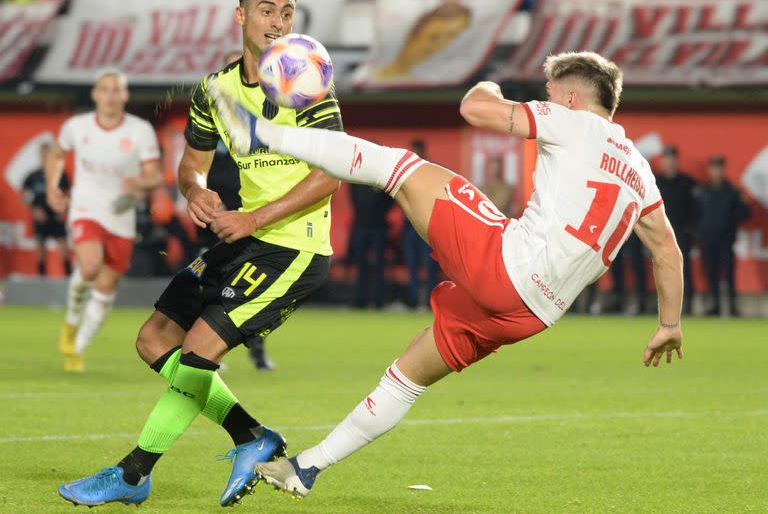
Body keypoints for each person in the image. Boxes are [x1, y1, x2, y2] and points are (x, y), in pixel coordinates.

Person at [250, 51, 684, 499]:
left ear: (572, 99)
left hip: (507, 267)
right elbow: (667, 251)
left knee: (400, 168)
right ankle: (305, 467)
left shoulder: (574, 121)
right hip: (532, 314)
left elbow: (474, 109)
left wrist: (491, 83)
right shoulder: (639, 171)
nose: (545, 103)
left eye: (549, 96)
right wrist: (669, 324)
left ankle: (261, 133)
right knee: (407, 377)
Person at [58, 0, 344, 508]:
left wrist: (255, 219)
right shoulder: (215, 89)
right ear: (241, 15)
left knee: (195, 352)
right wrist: (195, 192)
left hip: (294, 245)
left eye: (286, 12)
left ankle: (134, 473)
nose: (277, 21)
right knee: (154, 340)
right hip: (242, 236)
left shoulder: (307, 81)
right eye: (266, 9)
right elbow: (191, 166)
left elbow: (332, 172)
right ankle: (251, 437)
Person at [46, 69, 162, 372]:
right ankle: (71, 321)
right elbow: (57, 156)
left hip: (121, 216)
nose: (110, 95)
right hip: (86, 208)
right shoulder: (77, 127)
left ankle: (77, 349)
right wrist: (52, 188)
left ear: (124, 95)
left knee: (107, 286)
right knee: (89, 266)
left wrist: (140, 182)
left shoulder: (139, 131)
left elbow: (155, 175)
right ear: (95, 94)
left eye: (116, 90)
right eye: (104, 89)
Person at [199, 48, 275, 370]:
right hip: (219, 198)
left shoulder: (269, 107)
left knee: (257, 279)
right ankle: (208, 346)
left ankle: (256, 346)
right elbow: (197, 159)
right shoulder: (212, 107)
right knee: (214, 273)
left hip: (252, 202)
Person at [696, 155, 750, 316]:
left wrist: (730, 222)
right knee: (711, 273)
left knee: (729, 273)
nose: (716, 171)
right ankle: (715, 306)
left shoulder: (732, 191)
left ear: (723, 169)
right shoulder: (703, 191)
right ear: (710, 170)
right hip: (708, 239)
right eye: (714, 168)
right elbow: (696, 214)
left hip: (726, 239)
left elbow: (745, 213)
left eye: (719, 168)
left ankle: (732, 306)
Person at [655, 145, 697, 314]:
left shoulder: (687, 182)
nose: (669, 161)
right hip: (659, 234)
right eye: (666, 158)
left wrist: (691, 230)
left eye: (672, 158)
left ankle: (687, 306)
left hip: (681, 233)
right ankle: (660, 307)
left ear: (676, 160)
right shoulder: (655, 181)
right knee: (660, 271)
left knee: (683, 271)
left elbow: (695, 209)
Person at [22, 142, 71, 276]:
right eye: (42, 154)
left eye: (47, 154)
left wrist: (63, 209)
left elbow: (69, 195)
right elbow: (24, 196)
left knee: (64, 248)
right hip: (41, 217)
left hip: (56, 216)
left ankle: (68, 278)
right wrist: (34, 209)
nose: (44, 156)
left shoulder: (61, 174)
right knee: (40, 250)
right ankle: (41, 280)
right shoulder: (33, 176)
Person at [401, 139, 438, 309]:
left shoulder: (431, 172)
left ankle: (431, 301)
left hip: (428, 225)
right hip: (409, 226)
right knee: (412, 265)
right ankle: (414, 300)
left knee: (429, 265)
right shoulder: (406, 173)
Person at [349, 183, 394, 309]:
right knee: (361, 265)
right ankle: (361, 299)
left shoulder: (378, 177)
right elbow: (353, 197)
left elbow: (390, 200)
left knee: (379, 265)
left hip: (377, 226)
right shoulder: (357, 179)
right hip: (362, 226)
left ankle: (378, 300)